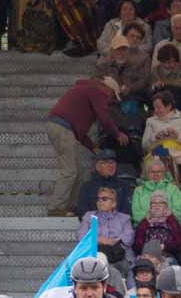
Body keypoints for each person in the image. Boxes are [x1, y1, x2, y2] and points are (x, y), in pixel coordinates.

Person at [45, 74, 128, 217]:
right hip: (63, 129)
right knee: (70, 171)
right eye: (112, 97)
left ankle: (69, 207)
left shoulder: (87, 90)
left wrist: (93, 148)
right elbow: (104, 118)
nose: (110, 101)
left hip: (60, 128)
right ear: (109, 89)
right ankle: (56, 208)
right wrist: (117, 134)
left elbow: (80, 133)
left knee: (75, 170)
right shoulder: (98, 90)